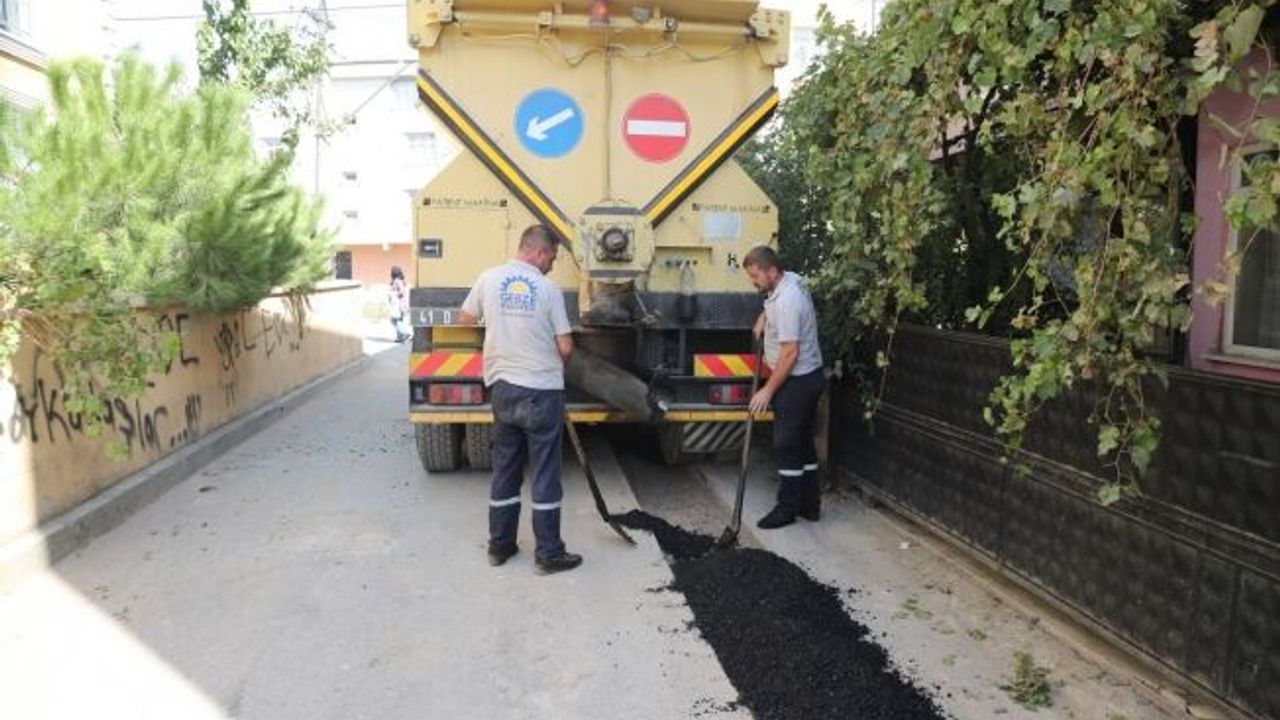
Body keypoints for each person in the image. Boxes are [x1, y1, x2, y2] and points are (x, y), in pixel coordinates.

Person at [459, 224, 582, 575]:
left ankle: (500, 547)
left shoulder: (488, 278)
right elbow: (566, 347)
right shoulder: (547, 289)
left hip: (503, 389)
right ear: (539, 252)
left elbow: (465, 318)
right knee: (544, 473)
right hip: (542, 391)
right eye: (553, 258)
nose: (552, 265)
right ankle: (548, 554)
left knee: (505, 469)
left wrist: (500, 332)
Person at [743, 246, 825, 529]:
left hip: (797, 381)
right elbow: (774, 304)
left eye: (756, 276)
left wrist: (767, 391)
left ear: (772, 271)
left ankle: (787, 509)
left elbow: (790, 353)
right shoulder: (789, 282)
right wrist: (764, 318)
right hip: (809, 376)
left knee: (787, 444)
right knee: (802, 441)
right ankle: (810, 505)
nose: (753, 281)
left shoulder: (788, 299)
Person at [388, 266, 412, 343]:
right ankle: (400, 337)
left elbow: (401, 292)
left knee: (394, 320)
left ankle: (404, 334)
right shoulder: (400, 280)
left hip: (399, 304)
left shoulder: (397, 281)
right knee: (398, 320)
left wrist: (393, 294)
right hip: (401, 304)